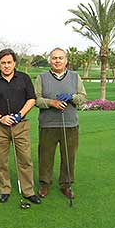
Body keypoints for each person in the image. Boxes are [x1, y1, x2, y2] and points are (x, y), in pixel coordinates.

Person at [0, 48, 41, 205]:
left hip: (20, 125)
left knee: (25, 159)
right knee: (0, 159)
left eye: (9, 62)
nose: (6, 66)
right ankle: (4, 189)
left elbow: (31, 99)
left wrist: (19, 114)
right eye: (3, 63)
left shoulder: (24, 78)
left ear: (14, 63)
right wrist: (1, 118)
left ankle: (28, 191)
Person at [34, 47, 87, 199]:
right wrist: (52, 102)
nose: (57, 61)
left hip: (70, 124)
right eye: (54, 58)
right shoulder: (41, 77)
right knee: (45, 156)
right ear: (50, 60)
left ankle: (66, 185)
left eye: (60, 58)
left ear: (66, 60)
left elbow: (83, 97)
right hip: (48, 125)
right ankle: (45, 184)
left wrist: (71, 97)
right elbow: (36, 99)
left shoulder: (75, 77)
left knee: (69, 156)